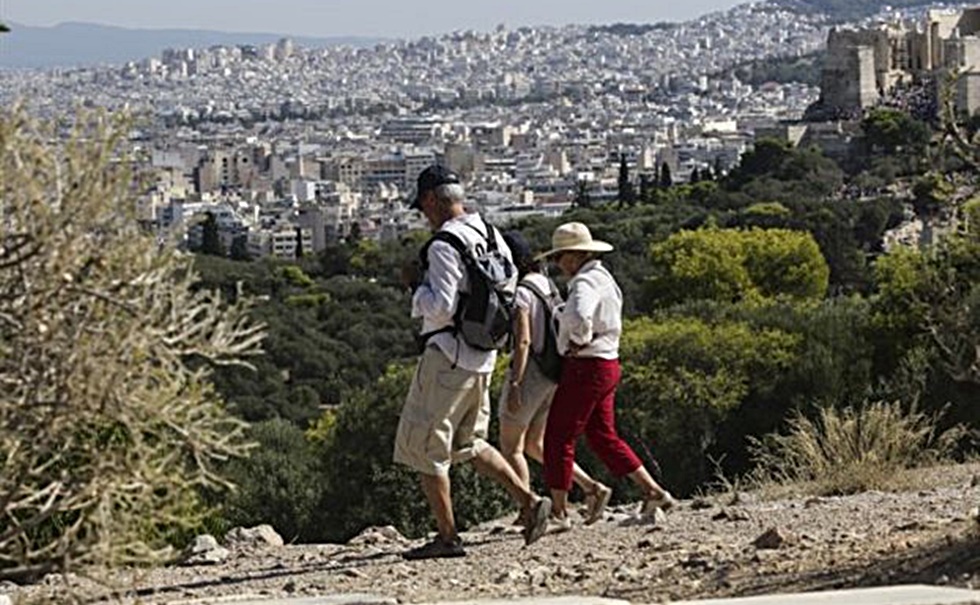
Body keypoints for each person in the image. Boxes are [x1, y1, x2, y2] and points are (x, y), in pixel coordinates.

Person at [394, 164, 552, 560]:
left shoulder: (444, 244)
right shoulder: (492, 234)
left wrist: (416, 289)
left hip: (448, 356)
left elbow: (442, 306)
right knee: (469, 443)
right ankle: (530, 502)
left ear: (432, 200)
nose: (424, 215)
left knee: (425, 447)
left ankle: (447, 538)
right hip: (483, 355)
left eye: (423, 207)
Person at [539, 222, 675, 525]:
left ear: (574, 257)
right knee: (603, 436)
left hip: (586, 366)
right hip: (608, 363)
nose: (558, 265)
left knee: (558, 437)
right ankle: (652, 491)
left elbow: (579, 316)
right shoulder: (605, 278)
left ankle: (560, 511)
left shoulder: (584, 283)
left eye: (560, 258)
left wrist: (577, 340)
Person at [497, 230, 612, 528]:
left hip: (532, 374)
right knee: (537, 445)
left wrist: (515, 383)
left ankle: (528, 507)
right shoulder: (547, 284)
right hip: (554, 374)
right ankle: (591, 487)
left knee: (511, 447)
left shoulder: (522, 291)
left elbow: (523, 341)